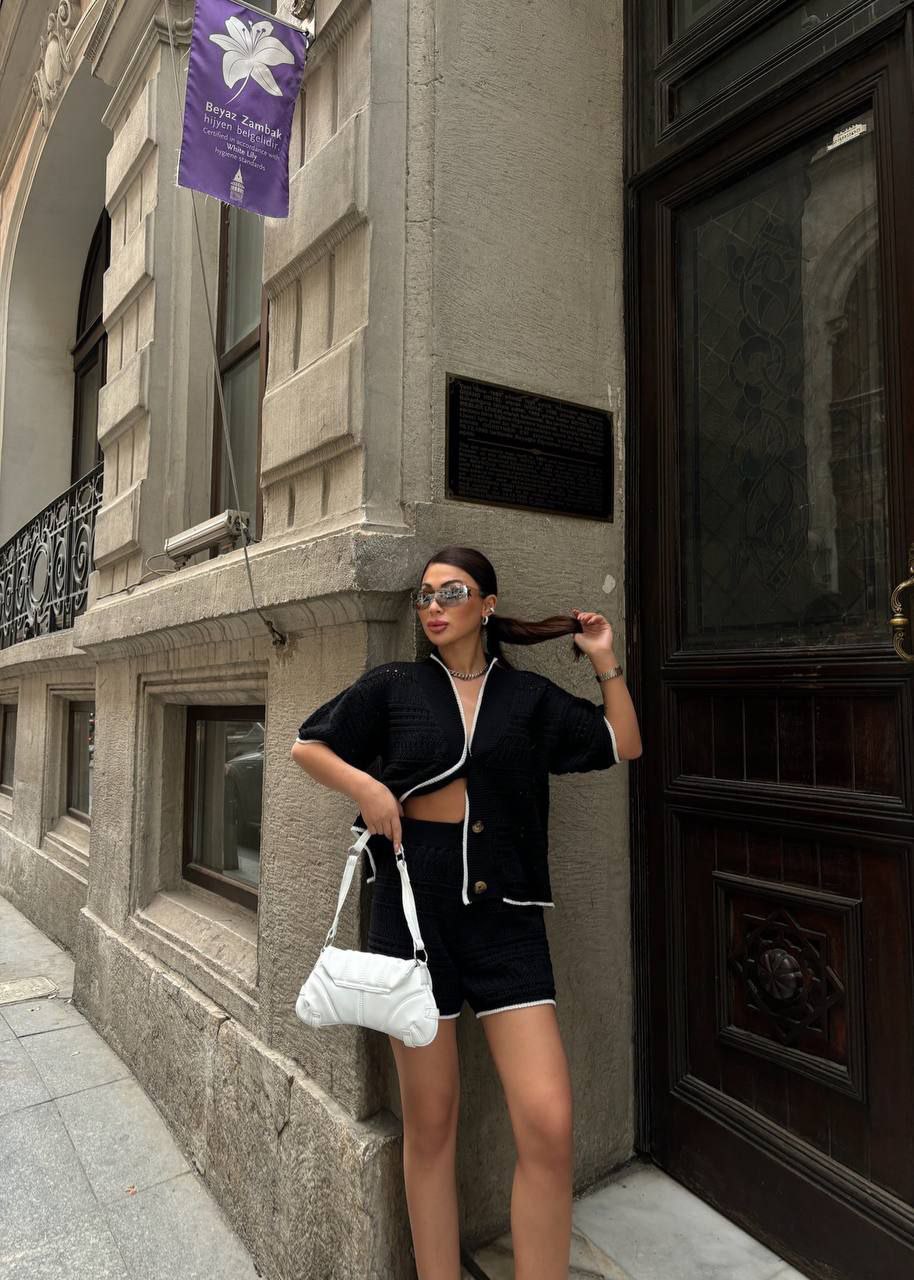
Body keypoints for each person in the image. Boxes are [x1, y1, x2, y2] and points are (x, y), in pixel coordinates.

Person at [291, 545, 642, 1280]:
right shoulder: (395, 686)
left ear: (487, 605)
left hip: (507, 921)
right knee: (431, 1124)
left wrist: (605, 659)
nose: (434, 607)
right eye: (424, 597)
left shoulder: (528, 698)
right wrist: (368, 789)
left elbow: (622, 742)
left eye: (451, 593)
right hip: (412, 922)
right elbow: (307, 746)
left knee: (548, 1123)